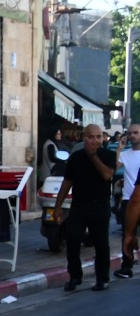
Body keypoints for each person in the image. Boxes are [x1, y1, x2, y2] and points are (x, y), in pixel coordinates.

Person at [50, 123, 116, 293]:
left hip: (100, 205)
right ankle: (75, 276)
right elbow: (67, 182)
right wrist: (58, 207)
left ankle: (102, 278)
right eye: (91, 137)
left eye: (98, 136)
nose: (95, 140)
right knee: (72, 240)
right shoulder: (76, 157)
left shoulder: (108, 155)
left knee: (101, 243)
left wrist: (93, 156)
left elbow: (107, 175)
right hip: (79, 205)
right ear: (84, 138)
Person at [115, 121, 140, 278]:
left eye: (136, 132)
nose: (132, 135)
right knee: (127, 234)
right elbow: (112, 168)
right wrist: (119, 148)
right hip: (127, 199)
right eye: (130, 133)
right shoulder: (124, 154)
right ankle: (127, 266)